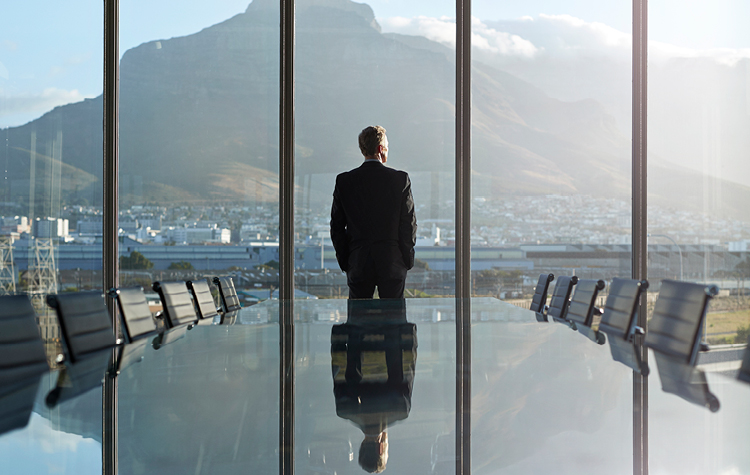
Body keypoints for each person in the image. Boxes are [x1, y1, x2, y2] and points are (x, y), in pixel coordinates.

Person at [330, 126, 417, 299]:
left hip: (358, 262)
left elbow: (337, 228)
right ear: (380, 149)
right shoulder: (400, 180)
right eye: (387, 146)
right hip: (392, 262)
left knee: (358, 321)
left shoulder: (345, 181)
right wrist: (406, 260)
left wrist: (347, 261)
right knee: (394, 321)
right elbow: (408, 225)